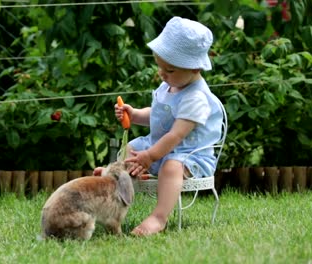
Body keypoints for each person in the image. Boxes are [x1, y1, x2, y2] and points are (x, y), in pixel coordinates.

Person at [96, 17, 224, 236]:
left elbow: (176, 135)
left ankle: (159, 217)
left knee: (172, 166)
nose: (162, 74)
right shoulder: (170, 85)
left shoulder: (196, 98)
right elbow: (158, 116)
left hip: (189, 155)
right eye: (160, 66)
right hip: (158, 148)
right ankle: (115, 182)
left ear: (195, 68)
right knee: (131, 148)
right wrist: (135, 114)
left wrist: (151, 156)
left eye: (170, 70)